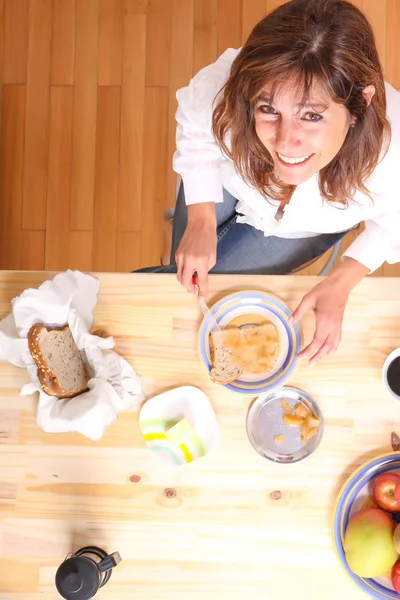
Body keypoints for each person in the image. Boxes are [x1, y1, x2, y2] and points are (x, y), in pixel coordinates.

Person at [138, 0, 400, 365]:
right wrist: (200, 217)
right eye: (268, 109)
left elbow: (394, 225)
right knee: (183, 281)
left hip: (301, 229)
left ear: (361, 105)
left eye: (311, 115)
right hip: (228, 180)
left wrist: (343, 281)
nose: (283, 142)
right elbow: (198, 128)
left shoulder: (395, 153)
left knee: (192, 288)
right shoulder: (226, 85)